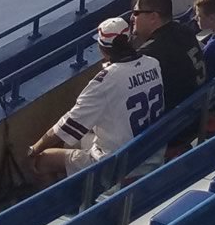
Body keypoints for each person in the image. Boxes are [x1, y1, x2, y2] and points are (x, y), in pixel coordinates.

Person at [25, 18, 165, 181]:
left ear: (102, 48)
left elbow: (69, 125)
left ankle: (64, 203)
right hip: (152, 151)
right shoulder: (153, 63)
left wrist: (35, 149)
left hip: (119, 164)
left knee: (43, 159)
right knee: (73, 143)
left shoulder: (105, 81)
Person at [131, 0, 206, 110]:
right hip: (197, 108)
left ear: (153, 17)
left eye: (136, 13)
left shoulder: (150, 54)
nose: (133, 18)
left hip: (178, 122)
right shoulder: (185, 31)